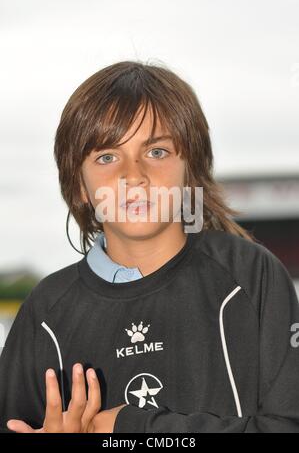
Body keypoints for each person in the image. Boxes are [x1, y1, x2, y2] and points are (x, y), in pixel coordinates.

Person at [0, 60, 299, 433]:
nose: (134, 176)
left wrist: (134, 426)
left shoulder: (251, 275)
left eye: (157, 151)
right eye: (107, 157)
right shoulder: (45, 313)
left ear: (189, 168)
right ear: (79, 186)